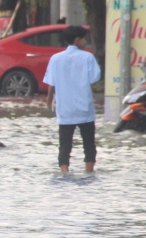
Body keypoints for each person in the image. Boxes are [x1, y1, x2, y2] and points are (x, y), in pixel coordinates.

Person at [42, 25, 101, 174]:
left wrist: (49, 101)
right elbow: (94, 80)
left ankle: (64, 172)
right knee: (89, 144)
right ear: (77, 40)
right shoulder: (87, 57)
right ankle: (88, 172)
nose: (85, 42)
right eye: (83, 39)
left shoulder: (55, 59)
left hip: (65, 109)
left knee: (64, 145)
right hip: (84, 108)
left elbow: (51, 83)